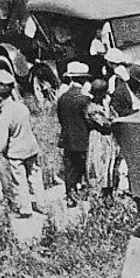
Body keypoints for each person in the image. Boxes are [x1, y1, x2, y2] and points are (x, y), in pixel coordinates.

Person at [0, 74, 44, 218]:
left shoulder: (4, 116)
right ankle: (42, 204)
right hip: (31, 148)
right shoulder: (22, 107)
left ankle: (25, 209)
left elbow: (1, 143)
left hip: (16, 153)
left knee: (20, 181)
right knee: (35, 177)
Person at [57, 62, 91, 207]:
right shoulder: (84, 99)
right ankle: (84, 195)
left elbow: (60, 118)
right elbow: (89, 120)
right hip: (82, 139)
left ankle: (70, 196)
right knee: (84, 167)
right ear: (82, 79)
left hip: (67, 138)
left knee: (70, 169)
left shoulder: (63, 98)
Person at [85, 79, 118, 197]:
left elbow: (116, 117)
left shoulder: (105, 105)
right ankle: (98, 192)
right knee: (98, 164)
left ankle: (108, 191)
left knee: (109, 163)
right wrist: (108, 113)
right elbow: (105, 124)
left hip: (108, 139)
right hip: (98, 138)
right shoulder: (92, 107)